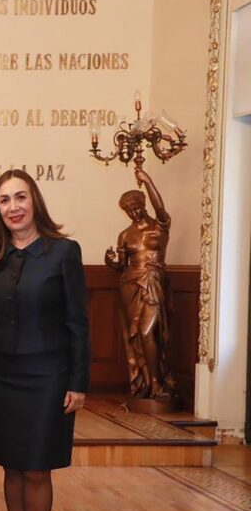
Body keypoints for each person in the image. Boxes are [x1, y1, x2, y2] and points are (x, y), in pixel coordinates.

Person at [0, 169, 90, 511]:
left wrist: (78, 381)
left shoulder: (63, 252)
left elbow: (78, 321)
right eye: (5, 200)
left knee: (37, 469)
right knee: (11, 467)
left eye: (20, 197)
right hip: (3, 375)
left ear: (35, 201)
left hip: (49, 376)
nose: (14, 207)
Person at [104, 167, 174, 399]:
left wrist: (148, 180)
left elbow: (160, 207)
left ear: (144, 205)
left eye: (136, 208)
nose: (133, 213)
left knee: (147, 331)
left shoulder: (160, 225)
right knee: (136, 334)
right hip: (130, 285)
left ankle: (157, 382)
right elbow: (122, 266)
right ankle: (147, 381)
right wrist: (111, 262)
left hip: (154, 282)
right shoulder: (125, 235)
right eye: (128, 211)